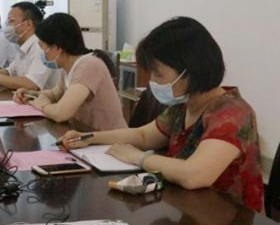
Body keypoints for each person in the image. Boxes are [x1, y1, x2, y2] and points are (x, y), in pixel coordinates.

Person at [58, 17, 263, 211]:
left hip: (228, 220)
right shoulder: (184, 105)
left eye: (158, 74)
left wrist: (139, 158)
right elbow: (143, 135)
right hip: (188, 208)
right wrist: (88, 138)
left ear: (190, 71)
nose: (152, 82)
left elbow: (194, 175)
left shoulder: (231, 115)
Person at [13, 13, 126, 131]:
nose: (42, 52)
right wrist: (31, 95)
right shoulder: (68, 66)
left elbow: (60, 114)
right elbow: (55, 94)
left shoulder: (89, 66)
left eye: (42, 47)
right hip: (85, 134)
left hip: (109, 139)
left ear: (57, 48)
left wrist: (42, 105)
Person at [0, 2, 59, 91]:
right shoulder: (23, 46)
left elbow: (31, 84)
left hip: (42, 99)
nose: (7, 27)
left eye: (11, 21)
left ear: (28, 24)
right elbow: (10, 72)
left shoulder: (40, 46)